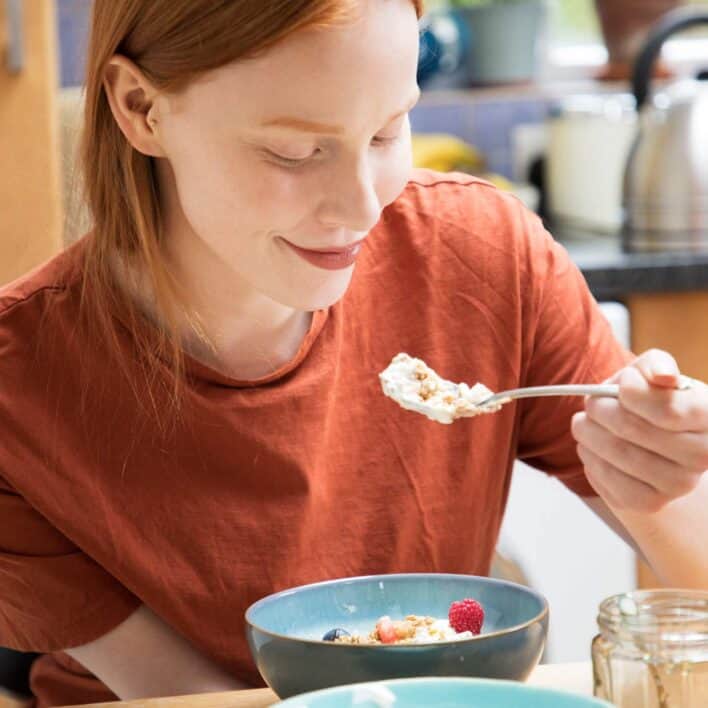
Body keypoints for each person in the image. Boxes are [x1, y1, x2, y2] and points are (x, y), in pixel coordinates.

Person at [0, 1, 706, 705]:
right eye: (296, 151)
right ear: (140, 107)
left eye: (388, 129)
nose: (362, 207)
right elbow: (187, 695)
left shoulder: (481, 257)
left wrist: (661, 481)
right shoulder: (18, 385)